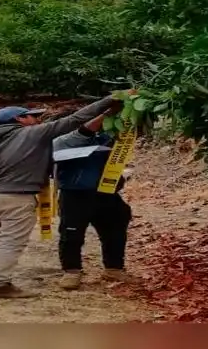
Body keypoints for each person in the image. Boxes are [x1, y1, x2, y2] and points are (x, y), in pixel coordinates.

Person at [0, 95, 122, 299]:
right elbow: (74, 120)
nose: (37, 120)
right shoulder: (32, 134)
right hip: (16, 198)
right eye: (31, 116)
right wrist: (110, 101)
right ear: (19, 120)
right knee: (11, 241)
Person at [51, 112, 134, 290]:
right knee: (71, 233)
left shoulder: (103, 138)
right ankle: (72, 272)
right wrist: (111, 110)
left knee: (117, 225)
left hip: (105, 192)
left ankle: (113, 268)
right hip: (74, 194)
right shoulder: (62, 141)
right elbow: (85, 130)